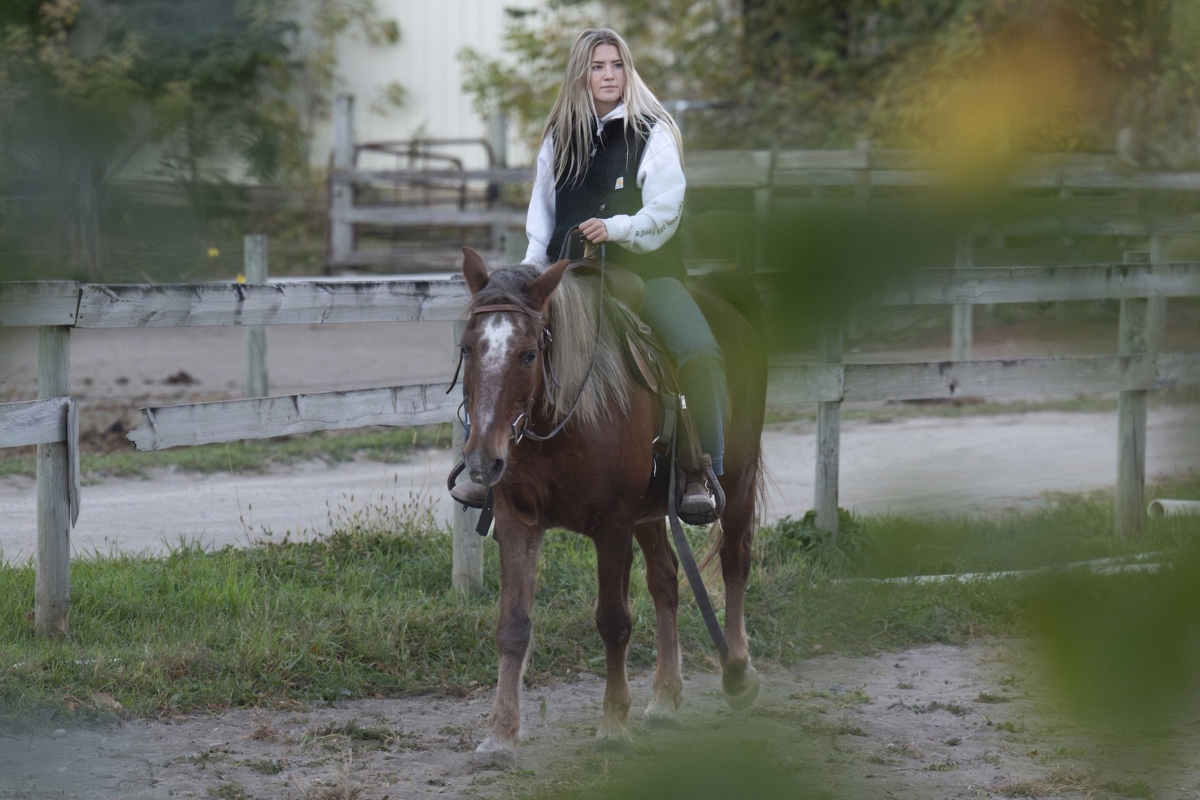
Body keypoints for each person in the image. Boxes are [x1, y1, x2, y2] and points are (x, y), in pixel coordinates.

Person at [451, 27, 727, 519]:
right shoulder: (559, 137)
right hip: (569, 278)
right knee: (497, 348)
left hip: (647, 272)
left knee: (700, 350)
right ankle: (484, 468)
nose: (608, 76)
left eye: (617, 65)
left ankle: (698, 470)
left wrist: (618, 227)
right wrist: (527, 279)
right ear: (581, 73)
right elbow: (541, 224)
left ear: (628, 71)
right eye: (598, 66)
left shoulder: (652, 130)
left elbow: (666, 209)